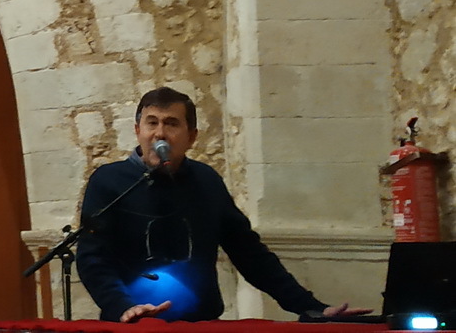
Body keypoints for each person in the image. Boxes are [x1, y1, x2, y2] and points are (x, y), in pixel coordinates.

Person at [76, 86, 371, 323]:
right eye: (151, 123)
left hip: (200, 324)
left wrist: (312, 308)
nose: (160, 134)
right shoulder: (109, 181)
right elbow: (93, 258)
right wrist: (122, 306)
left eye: (171, 124)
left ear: (191, 137)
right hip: (134, 324)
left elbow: (250, 254)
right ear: (137, 129)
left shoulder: (206, 181)